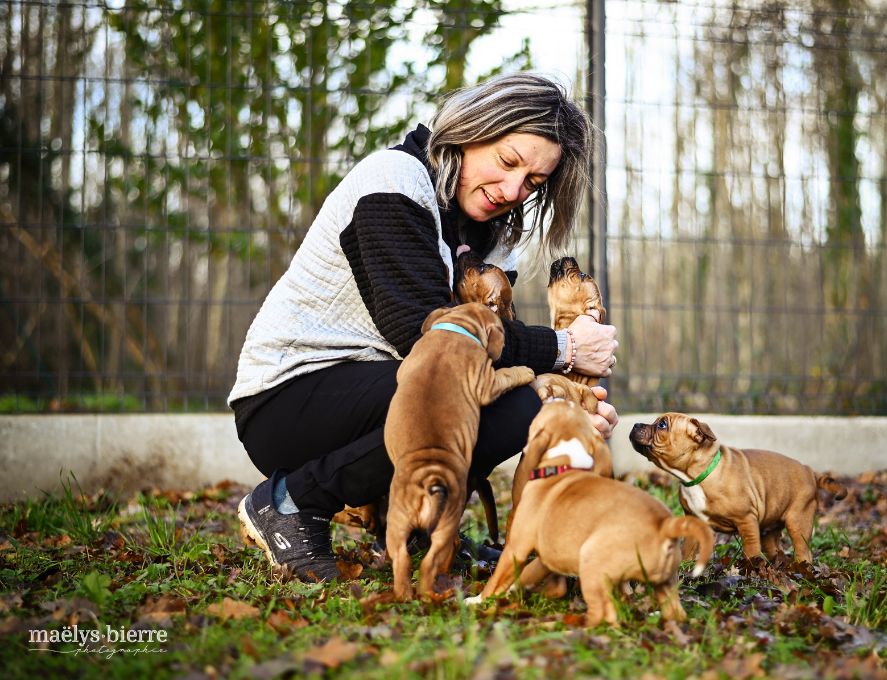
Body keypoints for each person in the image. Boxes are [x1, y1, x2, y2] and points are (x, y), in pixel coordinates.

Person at [230, 72, 619, 582]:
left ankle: (421, 527)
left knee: (521, 403)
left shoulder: (495, 235)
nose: (511, 190)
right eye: (506, 162)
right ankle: (290, 502)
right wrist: (566, 348)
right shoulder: (393, 179)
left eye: (533, 183)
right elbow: (430, 338)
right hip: (289, 400)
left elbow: (493, 345)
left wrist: (569, 406)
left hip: (380, 391)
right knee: (495, 397)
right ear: (471, 129)